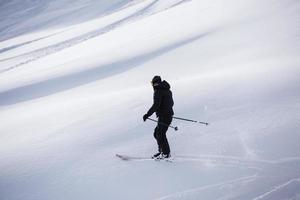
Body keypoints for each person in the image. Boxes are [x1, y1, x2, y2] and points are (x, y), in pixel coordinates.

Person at [143, 76, 174, 159]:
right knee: (157, 133)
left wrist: (147, 114)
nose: (152, 85)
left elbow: (156, 105)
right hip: (168, 116)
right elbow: (171, 103)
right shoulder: (167, 90)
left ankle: (166, 154)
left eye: (152, 83)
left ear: (155, 83)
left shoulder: (158, 91)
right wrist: (166, 111)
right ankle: (162, 152)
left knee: (160, 134)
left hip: (164, 116)